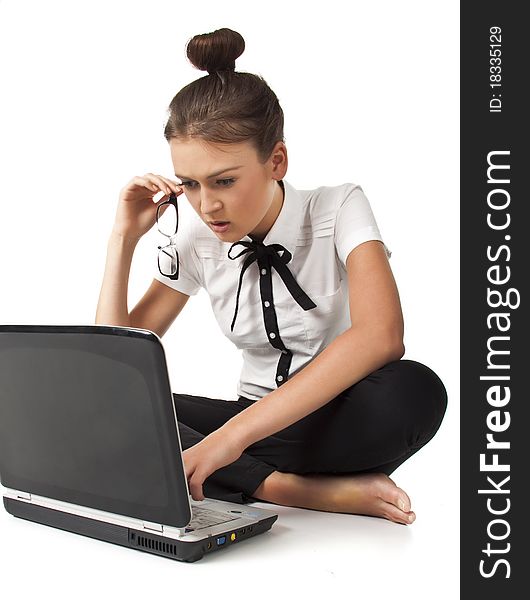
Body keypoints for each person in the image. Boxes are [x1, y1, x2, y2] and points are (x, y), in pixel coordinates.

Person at [95, 27, 447, 526]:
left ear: (276, 160)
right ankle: (292, 490)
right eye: (190, 184)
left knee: (413, 391)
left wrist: (225, 442)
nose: (207, 204)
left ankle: (230, 471)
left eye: (225, 181)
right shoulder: (196, 236)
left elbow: (382, 336)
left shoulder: (339, 206)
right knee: (115, 406)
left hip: (332, 420)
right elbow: (114, 369)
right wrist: (122, 240)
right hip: (256, 425)